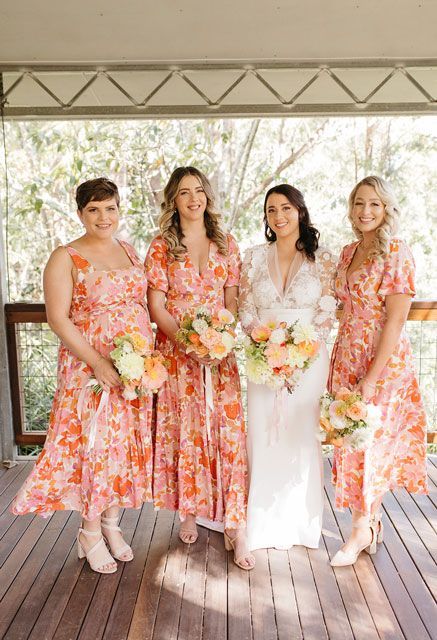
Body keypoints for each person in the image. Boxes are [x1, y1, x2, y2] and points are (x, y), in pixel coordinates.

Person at [12, 178, 154, 574]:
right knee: (93, 446)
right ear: (80, 214)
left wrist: (141, 360)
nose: (103, 217)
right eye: (94, 210)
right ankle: (88, 532)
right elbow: (58, 319)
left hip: (132, 369)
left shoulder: (128, 249)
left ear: (119, 209)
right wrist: (99, 363)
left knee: (120, 446)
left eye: (110, 208)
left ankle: (110, 525)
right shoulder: (65, 257)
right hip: (88, 370)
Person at [145, 166, 254, 570]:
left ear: (207, 195)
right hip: (176, 355)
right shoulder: (161, 246)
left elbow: (231, 302)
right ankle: (187, 509)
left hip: (220, 355)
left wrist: (218, 341)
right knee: (186, 431)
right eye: (184, 192)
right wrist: (189, 344)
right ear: (173, 200)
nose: (194, 198)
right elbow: (157, 305)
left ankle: (235, 525)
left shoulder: (227, 243)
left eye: (199, 190)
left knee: (226, 434)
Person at [328, 175, 428, 567]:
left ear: (386, 209)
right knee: (350, 440)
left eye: (374, 204)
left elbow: (395, 321)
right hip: (346, 353)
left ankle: (359, 529)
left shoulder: (398, 253)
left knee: (369, 441)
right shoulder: (348, 251)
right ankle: (371, 521)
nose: (365, 211)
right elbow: (342, 306)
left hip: (381, 362)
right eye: (359, 203)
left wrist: (371, 376)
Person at [239, 184, 337, 551]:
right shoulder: (251, 258)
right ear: (265, 218)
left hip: (308, 359)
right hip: (262, 357)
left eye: (285, 208)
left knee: (300, 435)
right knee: (263, 433)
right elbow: (244, 307)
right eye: (271, 210)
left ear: (300, 211)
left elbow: (328, 309)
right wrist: (262, 344)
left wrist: (302, 352)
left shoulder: (324, 259)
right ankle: (262, 523)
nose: (279, 216)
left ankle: (300, 523)